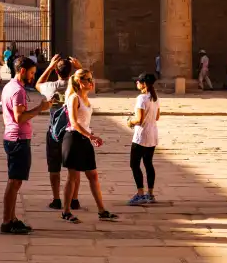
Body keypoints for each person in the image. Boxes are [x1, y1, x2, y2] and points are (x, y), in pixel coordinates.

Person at [0, 56, 52, 234]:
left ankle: (12, 218)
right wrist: (40, 108)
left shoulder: (9, 86)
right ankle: (7, 222)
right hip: (18, 139)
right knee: (14, 182)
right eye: (31, 73)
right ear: (22, 71)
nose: (32, 77)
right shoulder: (18, 91)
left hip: (12, 136)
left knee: (15, 181)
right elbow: (19, 117)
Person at [60, 68, 118, 224]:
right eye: (88, 80)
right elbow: (74, 122)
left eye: (92, 79)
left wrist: (89, 136)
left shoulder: (85, 98)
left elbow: (84, 121)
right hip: (73, 138)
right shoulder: (73, 98)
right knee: (72, 177)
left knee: (93, 175)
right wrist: (91, 135)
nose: (91, 83)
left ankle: (102, 210)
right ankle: (66, 211)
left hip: (84, 139)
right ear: (80, 82)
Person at [35, 54, 82, 211]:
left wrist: (49, 66)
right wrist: (79, 67)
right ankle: (74, 199)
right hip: (73, 130)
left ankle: (56, 199)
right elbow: (89, 82)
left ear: (56, 70)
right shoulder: (75, 85)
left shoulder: (50, 87)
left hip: (55, 131)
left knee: (54, 167)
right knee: (73, 168)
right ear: (71, 71)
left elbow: (38, 83)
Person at [127, 73, 160, 205]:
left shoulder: (141, 98)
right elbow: (157, 117)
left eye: (138, 82)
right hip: (152, 134)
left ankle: (140, 193)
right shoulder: (155, 98)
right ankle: (150, 194)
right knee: (148, 163)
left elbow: (139, 119)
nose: (137, 83)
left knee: (134, 164)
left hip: (141, 135)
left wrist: (130, 121)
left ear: (144, 84)